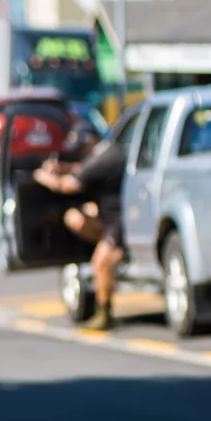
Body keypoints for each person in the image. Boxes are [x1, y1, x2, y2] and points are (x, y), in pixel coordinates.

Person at [35, 121, 125, 330]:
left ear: (91, 140)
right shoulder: (104, 154)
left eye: (82, 147)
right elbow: (82, 169)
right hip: (112, 218)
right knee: (77, 216)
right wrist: (63, 168)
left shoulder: (104, 157)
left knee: (100, 262)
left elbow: (70, 185)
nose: (81, 152)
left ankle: (104, 313)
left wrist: (43, 177)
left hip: (118, 221)